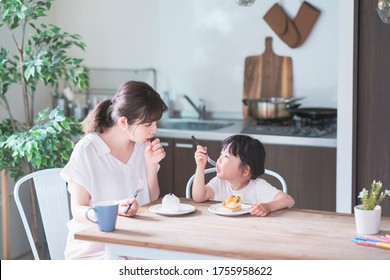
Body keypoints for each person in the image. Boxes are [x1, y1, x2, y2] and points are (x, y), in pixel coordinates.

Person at [60, 80, 168, 259]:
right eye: (148, 124)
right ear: (124, 122)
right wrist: (110, 212)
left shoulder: (142, 149)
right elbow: (78, 210)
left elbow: (151, 198)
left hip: (132, 243)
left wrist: (151, 166)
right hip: (94, 250)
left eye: (155, 123)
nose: (155, 130)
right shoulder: (87, 150)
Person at [192, 134, 295, 217]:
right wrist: (200, 167)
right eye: (221, 155)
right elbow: (198, 197)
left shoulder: (258, 187)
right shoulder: (219, 183)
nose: (219, 159)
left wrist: (268, 207)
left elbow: (288, 200)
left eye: (226, 156)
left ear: (245, 170)